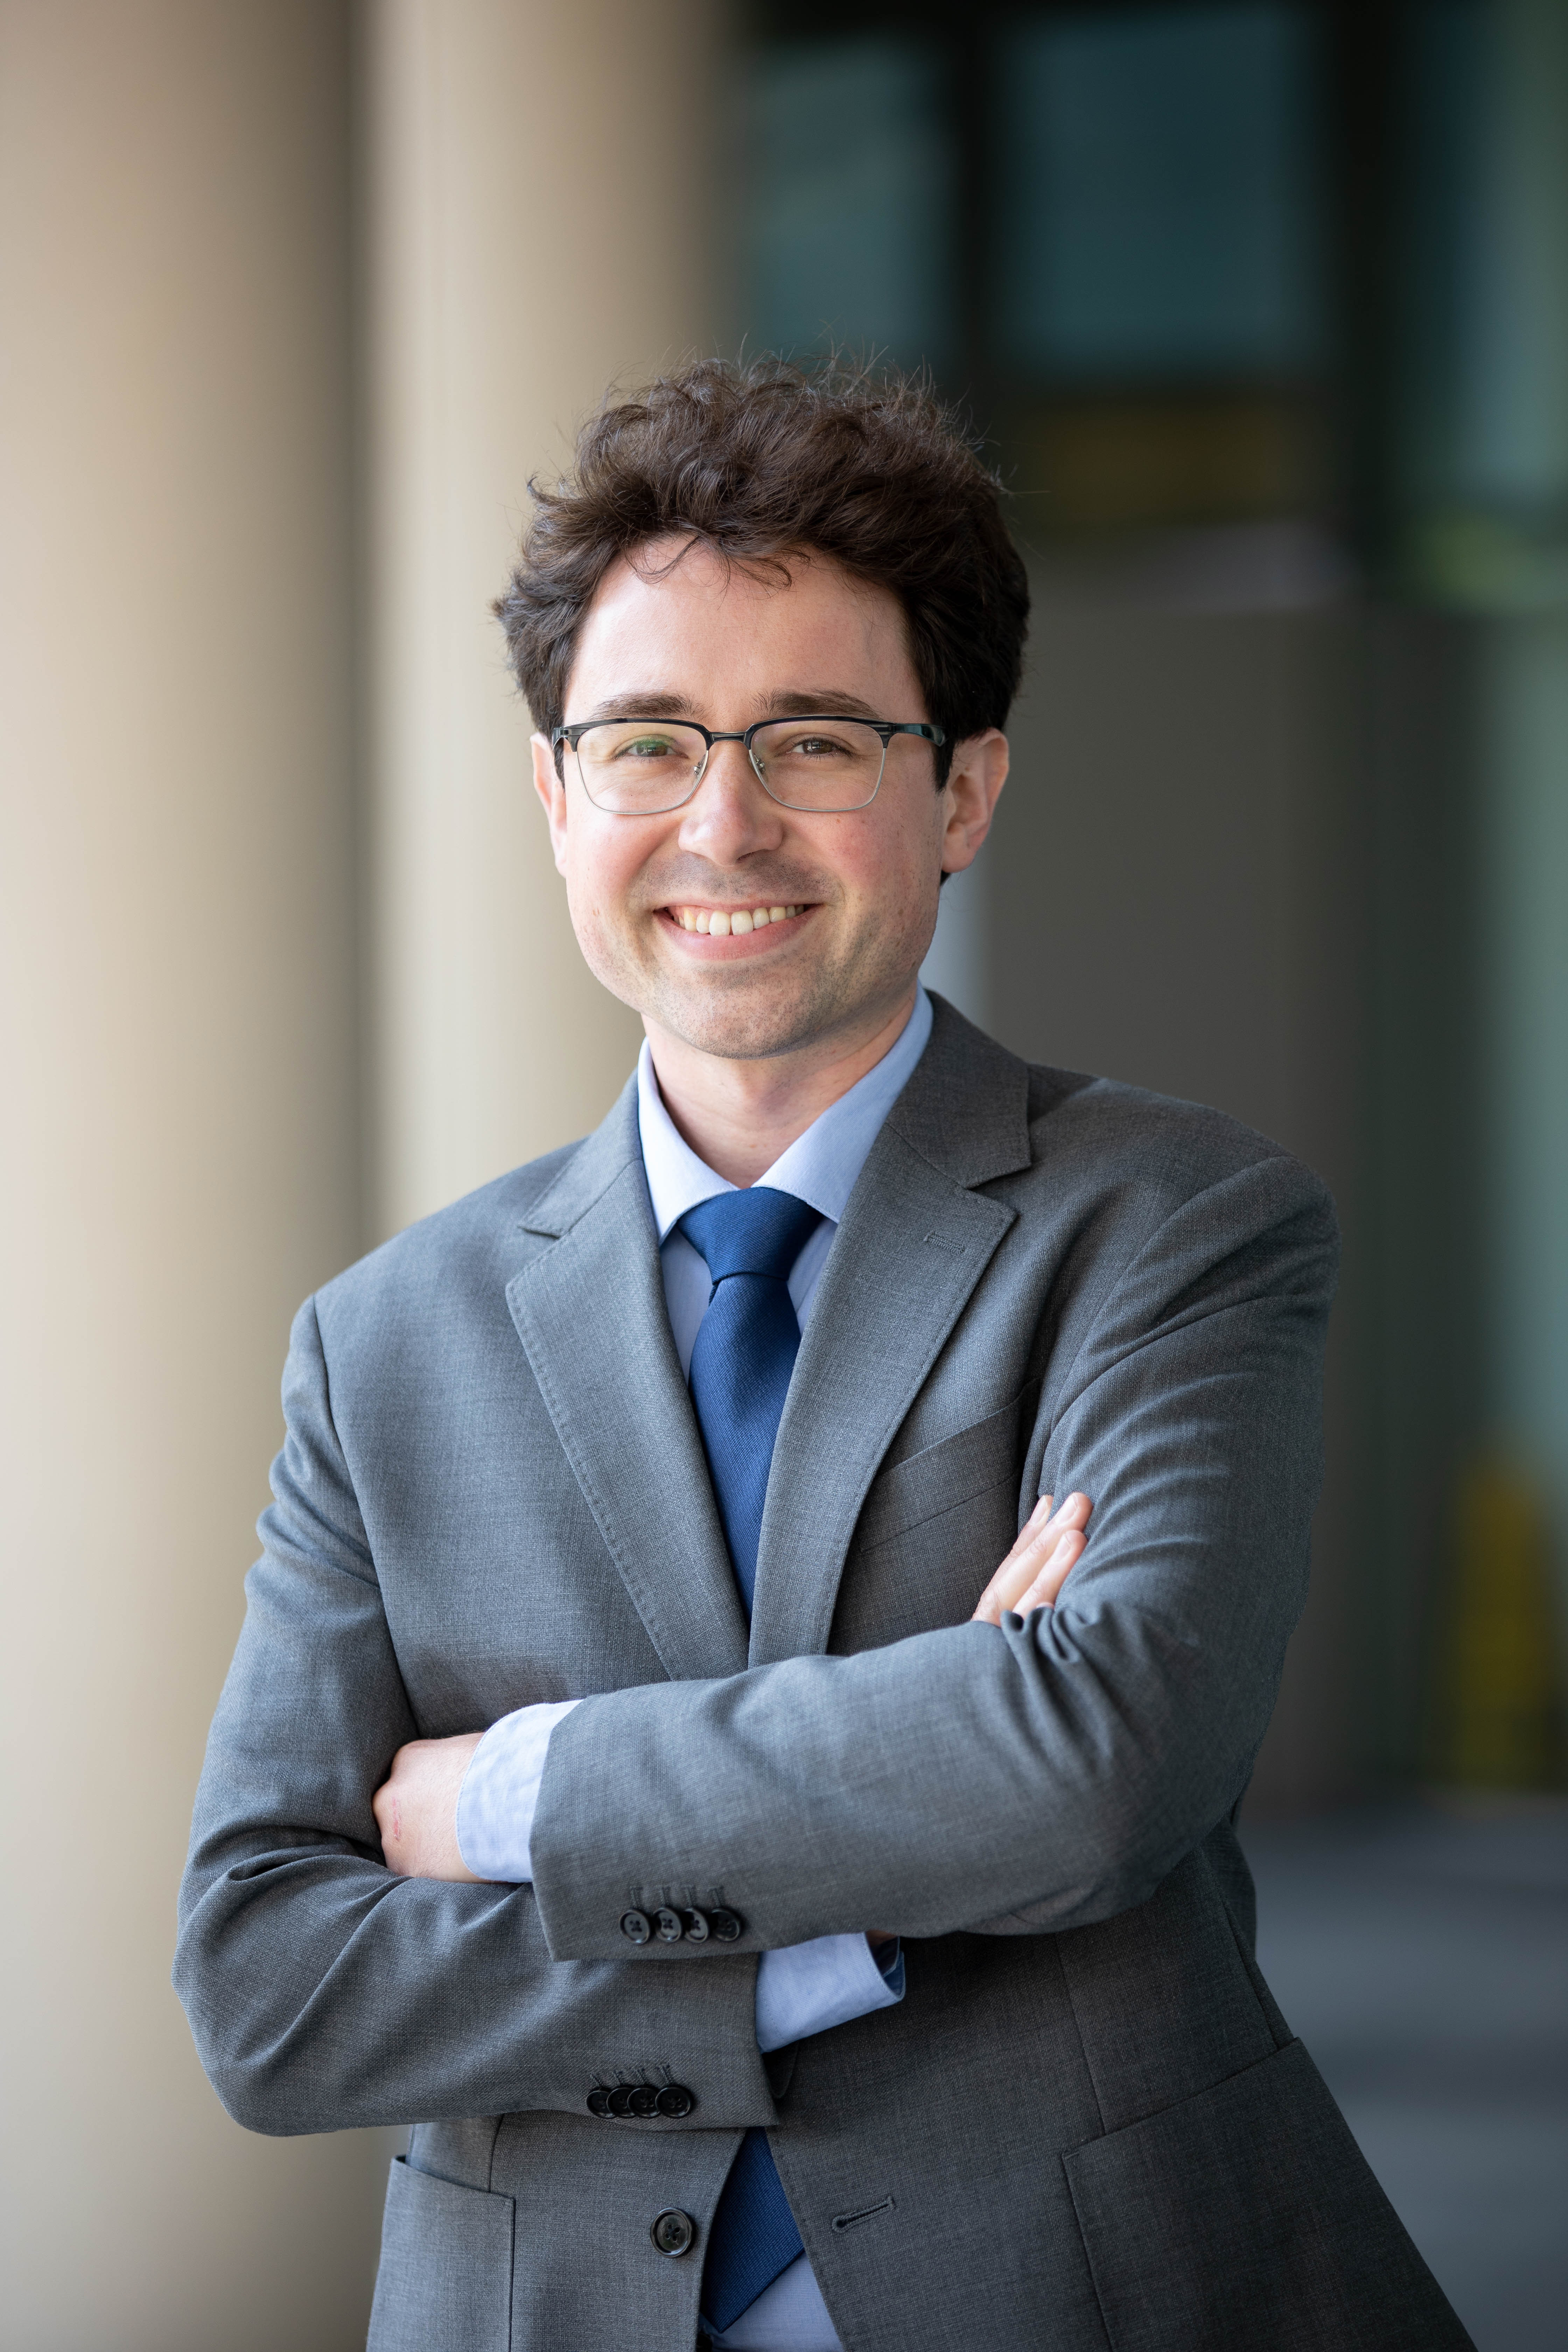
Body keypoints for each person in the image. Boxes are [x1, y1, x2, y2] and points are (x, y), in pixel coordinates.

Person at [176, 358, 1470, 2352]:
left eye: (814, 741)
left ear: (961, 790)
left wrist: (518, 1797)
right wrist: (855, 1882)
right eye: (647, 743)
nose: (723, 823)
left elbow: (1091, 1765)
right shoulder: (385, 1346)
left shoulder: (1175, 1226)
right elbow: (270, 1984)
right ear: (554, 793)